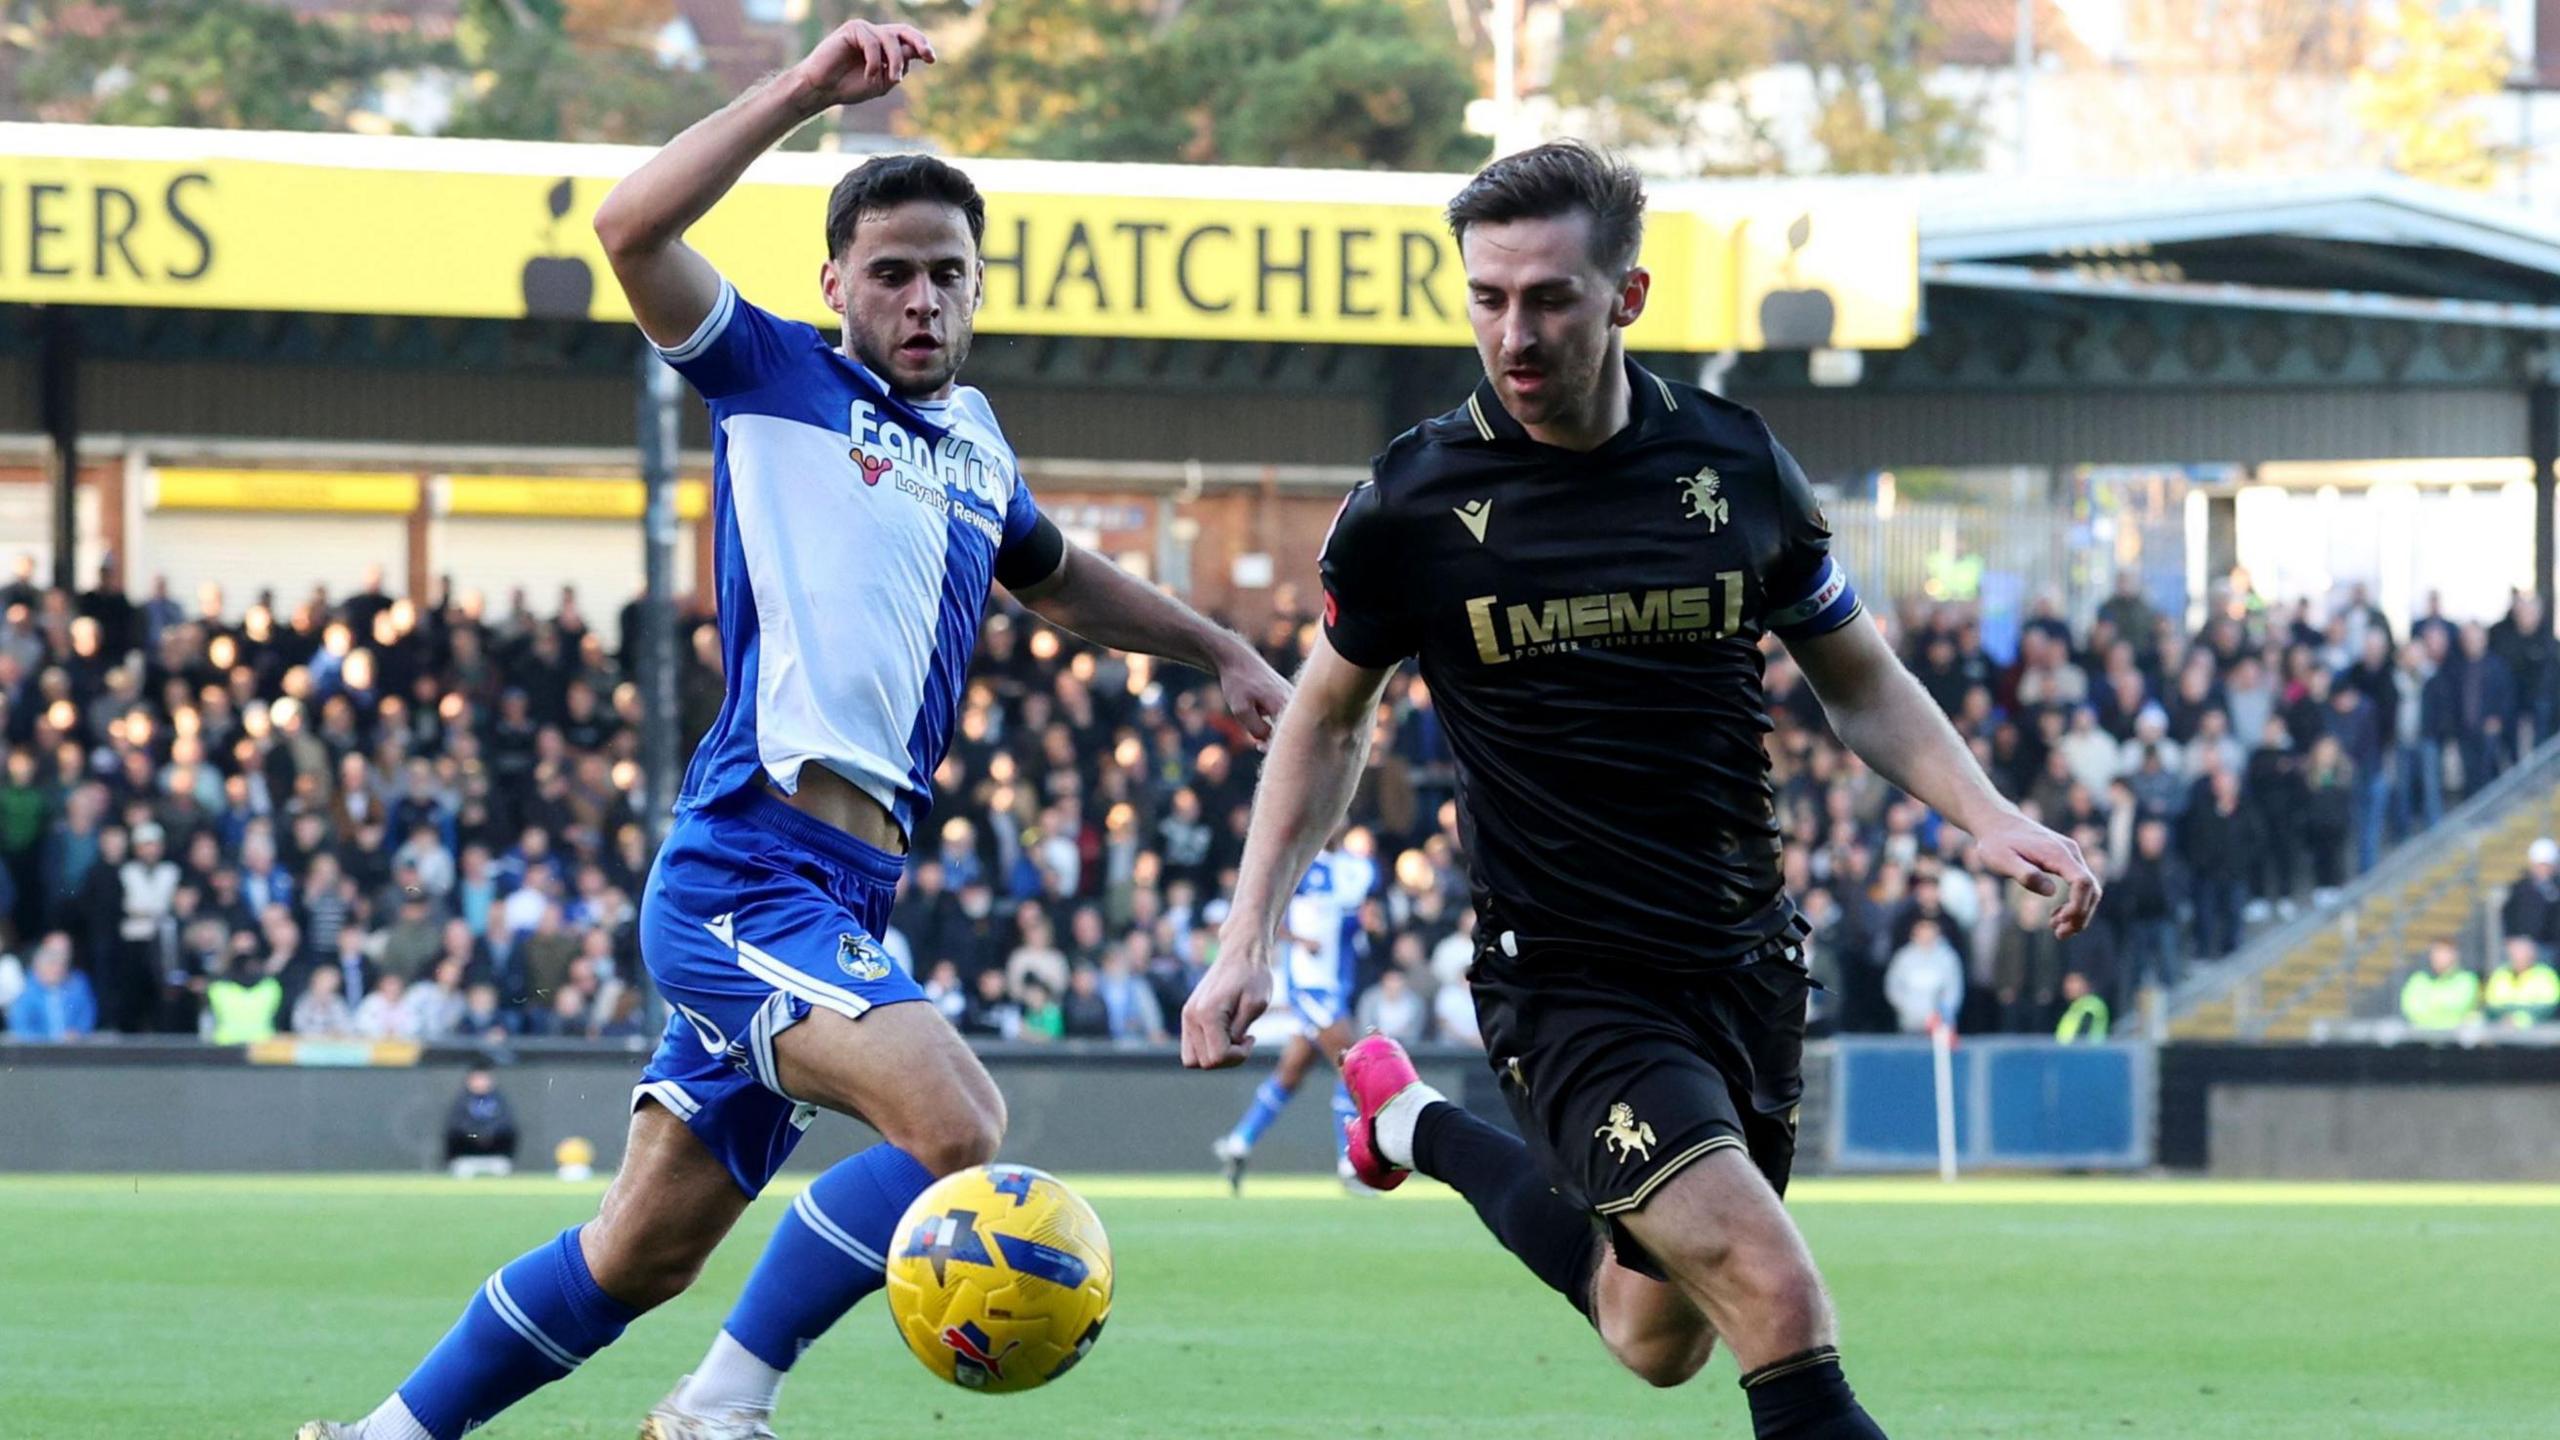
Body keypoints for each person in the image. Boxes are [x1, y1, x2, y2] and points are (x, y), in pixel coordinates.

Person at [299, 27, 1288, 1440]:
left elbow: (1057, 577)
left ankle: (386, 1439)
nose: (924, 297)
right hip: (746, 874)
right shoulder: (771, 377)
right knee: (956, 1128)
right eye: (891, 271)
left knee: (634, 1255)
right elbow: (630, 225)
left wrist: (1218, 646)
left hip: (846, 894)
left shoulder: (976, 446)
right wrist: (804, 93)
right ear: (834, 286)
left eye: (950, 272)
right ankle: (719, 1406)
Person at [1180, 142, 2098, 1439]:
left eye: (1549, 297)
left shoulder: (1735, 468)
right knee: (1776, 1296)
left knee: (1652, 1336)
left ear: (1629, 297)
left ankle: (1408, 1120)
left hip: (1742, 968)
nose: (1514, 330)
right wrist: (1246, 935)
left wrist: (1990, 814)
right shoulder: (1413, 504)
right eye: (1488, 297)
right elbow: (1327, 722)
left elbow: (1860, 680)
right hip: (1567, 981)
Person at [1209, 835, 1371, 1194]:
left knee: (1290, 1075)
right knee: (1350, 1067)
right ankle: (1349, 1165)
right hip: (1312, 987)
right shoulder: (1300, 868)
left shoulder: (1345, 869)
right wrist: (1299, 939)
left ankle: (1238, 1143)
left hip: (1333, 986)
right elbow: (1265, 914)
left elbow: (1346, 924)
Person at [6, 933, 94, 1041]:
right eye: (51, 964)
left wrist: (77, 1033)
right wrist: (48, 1041)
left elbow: (86, 1015)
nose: (56, 970)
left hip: (73, 1048)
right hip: (36, 1051)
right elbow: (20, 1026)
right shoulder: (24, 989)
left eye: (60, 964)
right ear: (38, 966)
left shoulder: (76, 984)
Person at [1884, 917, 1963, 1035]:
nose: (1926, 937)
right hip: (1909, 1021)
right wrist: (1906, 1008)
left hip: (1939, 1024)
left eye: (1930, 934)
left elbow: (1953, 990)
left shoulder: (1948, 958)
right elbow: (1893, 986)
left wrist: (1942, 1013)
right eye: (1922, 933)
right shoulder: (1903, 957)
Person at [445, 1067, 522, 1180]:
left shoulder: (499, 1099)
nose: (480, 1083)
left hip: (495, 1150)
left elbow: (506, 1121)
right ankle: (458, 1162)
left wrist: (488, 1133)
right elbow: (456, 1124)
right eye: (477, 1079)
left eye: (484, 1078)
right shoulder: (461, 1100)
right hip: (467, 1151)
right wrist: (476, 1135)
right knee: (454, 1134)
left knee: (509, 1131)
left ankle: (503, 1161)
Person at [2399, 940, 2480, 1031]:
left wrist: (2430, 1007)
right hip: (2423, 1036)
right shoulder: (2419, 979)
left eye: (2445, 953)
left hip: (2456, 1038)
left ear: (2455, 955)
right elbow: (2412, 1008)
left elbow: (2460, 1005)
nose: (2440, 957)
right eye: (2437, 953)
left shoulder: (2466, 979)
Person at [2482, 936, 2559, 1027]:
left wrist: (2521, 1017)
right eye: (2514, 954)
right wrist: (2510, 1016)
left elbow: (2549, 1007)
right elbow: (2492, 1005)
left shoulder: (2545, 975)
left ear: (2531, 955)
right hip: (2503, 1028)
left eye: (2521, 953)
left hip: (2540, 1031)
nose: (2517, 957)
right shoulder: (2500, 974)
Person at [2052, 970, 2109, 1042]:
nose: (2068, 986)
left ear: (2086, 984)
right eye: (2067, 982)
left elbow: (2083, 1038)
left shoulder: (2090, 1007)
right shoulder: (2076, 1006)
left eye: (2074, 982)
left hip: (2084, 1052)